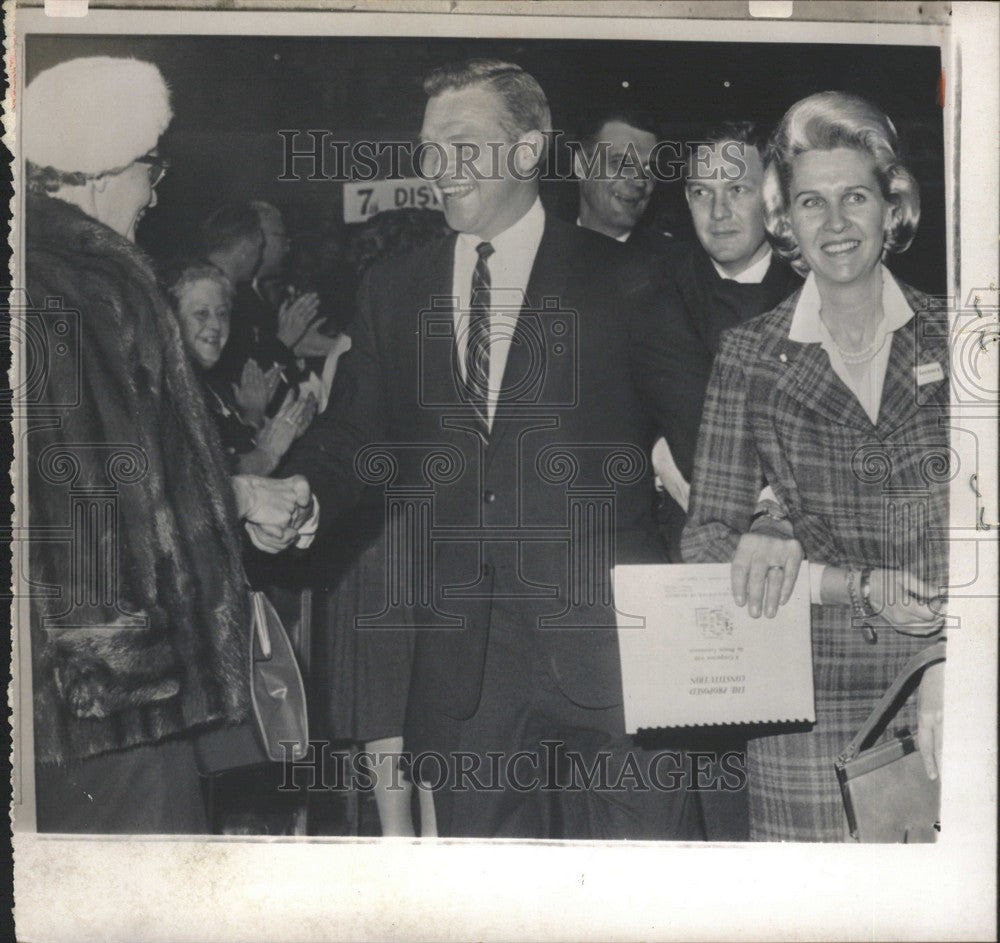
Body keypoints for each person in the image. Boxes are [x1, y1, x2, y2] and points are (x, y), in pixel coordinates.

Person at [282, 59, 700, 840]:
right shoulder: (391, 287)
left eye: (461, 145)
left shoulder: (631, 276)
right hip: (464, 666)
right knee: (489, 901)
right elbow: (353, 435)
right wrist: (304, 489)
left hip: (613, 649)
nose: (438, 168)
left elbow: (708, 437)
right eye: (429, 149)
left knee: (647, 889)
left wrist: (759, 526)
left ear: (528, 149)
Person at [22, 56, 312, 833]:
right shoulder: (94, 285)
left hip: (47, 694)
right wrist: (236, 498)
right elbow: (98, 495)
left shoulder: (30, 271)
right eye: (150, 169)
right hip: (116, 697)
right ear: (101, 170)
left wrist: (233, 491)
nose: (154, 192)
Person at [682, 91, 949, 842]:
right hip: (805, 703)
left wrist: (950, 661)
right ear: (785, 219)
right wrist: (802, 555)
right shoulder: (748, 357)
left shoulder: (962, 334)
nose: (834, 225)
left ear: (891, 207)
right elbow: (705, 541)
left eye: (855, 197)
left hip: (949, 679)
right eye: (811, 202)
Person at [637, 121, 802, 563]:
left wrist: (774, 509)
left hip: (798, 555)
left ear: (772, 197)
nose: (719, 212)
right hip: (672, 550)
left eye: (737, 190)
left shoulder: (820, 291)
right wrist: (656, 456)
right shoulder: (646, 291)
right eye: (701, 192)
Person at [163, 259, 316, 476]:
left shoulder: (210, 383)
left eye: (222, 313)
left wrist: (274, 425)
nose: (216, 325)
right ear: (172, 321)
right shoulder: (169, 390)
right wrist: (267, 454)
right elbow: (208, 480)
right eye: (201, 314)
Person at [573, 107, 688, 288]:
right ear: (581, 166)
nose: (640, 181)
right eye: (622, 163)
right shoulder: (537, 252)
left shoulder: (679, 270)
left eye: (650, 168)